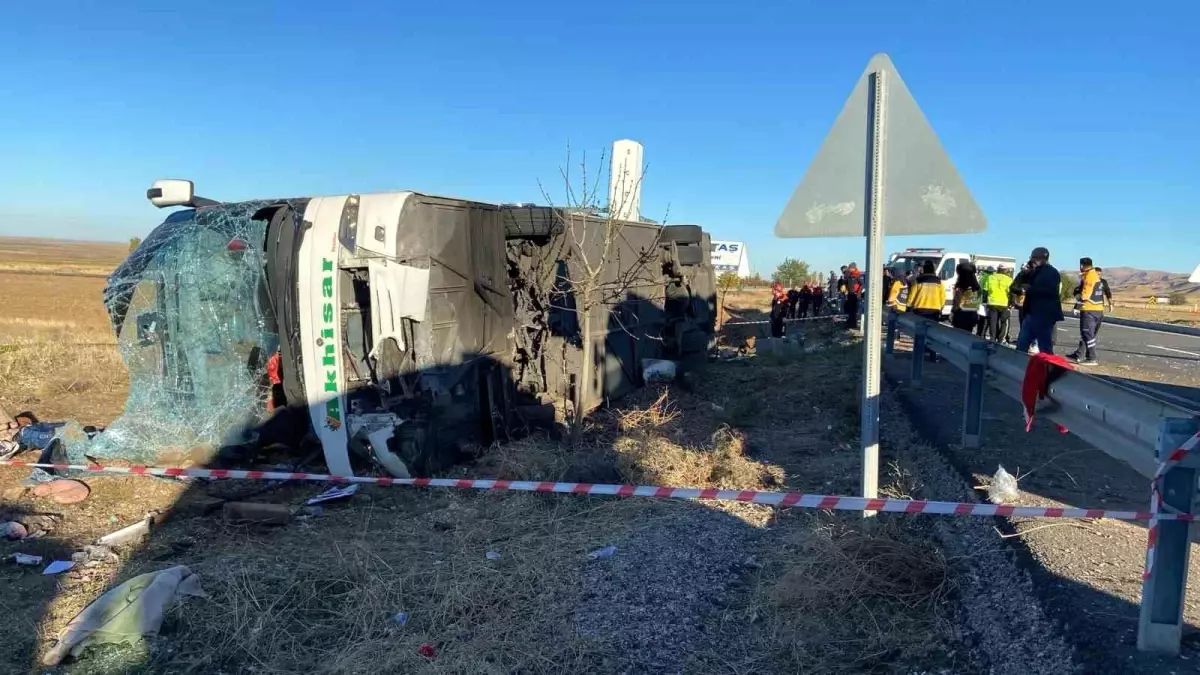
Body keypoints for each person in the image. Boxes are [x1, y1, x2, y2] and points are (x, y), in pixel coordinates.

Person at [1014, 247, 1065, 354]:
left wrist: (1031, 289)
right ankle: (1019, 365)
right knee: (1022, 344)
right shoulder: (1033, 272)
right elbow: (1014, 287)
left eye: (1033, 258)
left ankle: (1047, 367)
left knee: (1045, 346)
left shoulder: (1051, 272)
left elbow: (1051, 292)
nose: (1031, 260)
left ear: (1041, 258)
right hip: (1031, 313)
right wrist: (1023, 273)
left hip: (1044, 314)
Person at [1067, 257, 1105, 365]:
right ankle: (1079, 355)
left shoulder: (1089, 277)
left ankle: (1091, 357)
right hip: (1098, 309)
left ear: (1082, 265)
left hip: (1089, 309)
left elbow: (1085, 296)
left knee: (1087, 333)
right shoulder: (1095, 276)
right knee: (1088, 334)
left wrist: (1077, 303)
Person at [907, 260, 944, 360]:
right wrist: (940, 307)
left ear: (924, 269)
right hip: (934, 310)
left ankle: (919, 355)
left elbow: (912, 295)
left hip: (920, 309)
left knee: (919, 334)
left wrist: (909, 307)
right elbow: (942, 297)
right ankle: (932, 355)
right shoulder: (939, 281)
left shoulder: (918, 280)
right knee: (932, 335)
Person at [985, 264, 1014, 343]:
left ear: (998, 269)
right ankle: (1001, 339)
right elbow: (1011, 292)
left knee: (993, 322)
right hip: (1004, 303)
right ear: (1006, 270)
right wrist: (1011, 303)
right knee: (1004, 321)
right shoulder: (1009, 279)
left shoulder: (990, 278)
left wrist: (985, 301)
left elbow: (986, 290)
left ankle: (992, 338)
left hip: (992, 302)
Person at [950, 262, 982, 333]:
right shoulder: (976, 287)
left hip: (960, 315)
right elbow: (977, 301)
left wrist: (952, 313)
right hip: (971, 315)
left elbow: (956, 302)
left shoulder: (959, 286)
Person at [975, 266, 994, 337]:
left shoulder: (982, 277)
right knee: (986, 319)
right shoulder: (990, 278)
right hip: (987, 301)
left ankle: (979, 333)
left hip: (980, 301)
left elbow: (978, 289)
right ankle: (983, 334)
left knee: (981, 318)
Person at [843, 263, 863, 330]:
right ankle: (849, 323)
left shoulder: (858, 275)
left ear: (853, 268)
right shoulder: (849, 275)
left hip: (855, 295)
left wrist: (858, 293)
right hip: (849, 294)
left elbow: (862, 285)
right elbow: (846, 283)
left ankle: (853, 324)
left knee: (853, 311)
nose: (849, 269)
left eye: (850, 268)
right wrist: (845, 289)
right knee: (849, 309)